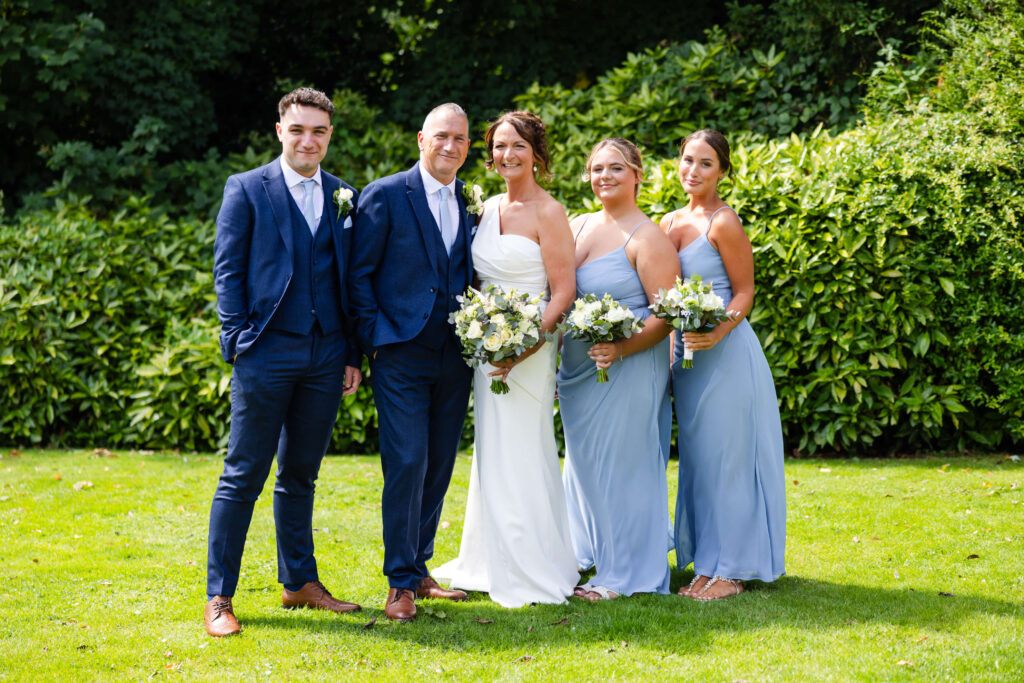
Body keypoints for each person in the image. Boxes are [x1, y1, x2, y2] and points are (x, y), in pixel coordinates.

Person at [205, 87, 363, 637]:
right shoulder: (247, 189)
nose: (308, 139)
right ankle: (219, 597)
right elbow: (228, 270)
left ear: (329, 135)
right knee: (242, 475)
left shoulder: (345, 195)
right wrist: (237, 339)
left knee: (300, 474)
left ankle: (299, 581)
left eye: (319, 131)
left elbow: (350, 282)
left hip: (325, 356)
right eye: (298, 129)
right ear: (280, 131)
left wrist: (350, 352)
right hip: (266, 351)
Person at [433, 111, 579, 607]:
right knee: (491, 449)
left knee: (525, 444)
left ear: (536, 153)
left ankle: (533, 562)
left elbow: (563, 293)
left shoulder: (550, 212)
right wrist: (488, 336)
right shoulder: (485, 206)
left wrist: (527, 345)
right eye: (498, 146)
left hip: (530, 347)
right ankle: (488, 558)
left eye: (517, 145)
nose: (506, 155)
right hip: (486, 346)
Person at [349, 103, 475, 622]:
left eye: (461, 140)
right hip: (400, 352)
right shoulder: (384, 194)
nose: (451, 146)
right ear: (422, 138)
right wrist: (373, 340)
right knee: (406, 463)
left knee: (440, 463)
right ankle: (399, 582)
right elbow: (358, 275)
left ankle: (421, 568)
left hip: (455, 354)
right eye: (442, 136)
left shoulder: (470, 200)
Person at [662, 129, 786, 600]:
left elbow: (744, 292)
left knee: (730, 459)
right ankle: (706, 563)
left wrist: (716, 332)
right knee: (701, 461)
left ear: (722, 171)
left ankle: (731, 571)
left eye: (705, 163)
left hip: (726, 355)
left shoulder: (723, 222)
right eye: (687, 160)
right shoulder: (669, 221)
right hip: (686, 361)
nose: (692, 170)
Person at [558, 138, 679, 601]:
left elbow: (665, 313)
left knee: (624, 468)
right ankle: (590, 552)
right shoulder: (579, 224)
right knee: (586, 467)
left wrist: (622, 348)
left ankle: (628, 574)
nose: (604, 176)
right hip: (579, 373)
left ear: (637, 175)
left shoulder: (648, 238)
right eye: (596, 168)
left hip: (627, 369)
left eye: (615, 168)